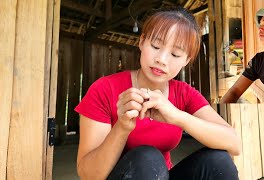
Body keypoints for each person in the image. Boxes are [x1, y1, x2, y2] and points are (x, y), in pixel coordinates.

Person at [75, 7, 240, 180]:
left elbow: (234, 143)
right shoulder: (105, 89)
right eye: (155, 46)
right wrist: (122, 127)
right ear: (141, 42)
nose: (161, 59)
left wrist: (177, 116)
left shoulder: (184, 93)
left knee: (218, 161)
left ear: (186, 60)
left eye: (175, 54)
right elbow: (88, 174)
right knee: (148, 158)